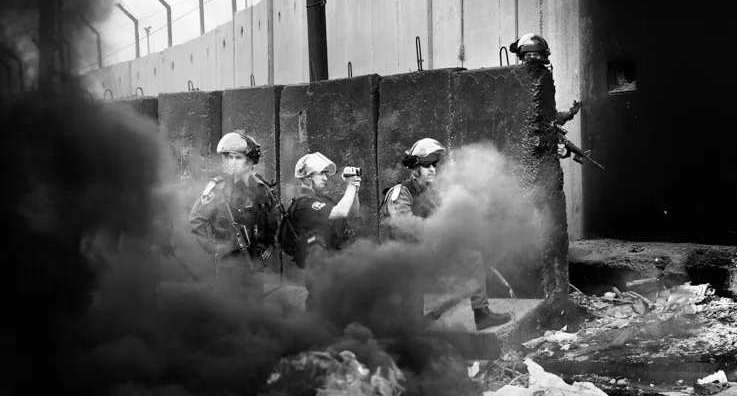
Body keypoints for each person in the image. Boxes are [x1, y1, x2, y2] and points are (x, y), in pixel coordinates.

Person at [381, 138, 512, 331]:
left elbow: (445, 220)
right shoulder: (401, 192)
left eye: (434, 164)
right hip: (405, 259)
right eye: (426, 164)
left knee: (472, 256)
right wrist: (437, 230)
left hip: (426, 253)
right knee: (411, 323)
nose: (432, 168)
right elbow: (403, 223)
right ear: (414, 167)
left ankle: (482, 313)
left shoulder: (428, 194)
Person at [188, 132, 278, 290]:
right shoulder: (219, 187)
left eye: (238, 158)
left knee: (255, 309)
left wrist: (269, 245)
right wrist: (214, 248)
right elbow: (196, 220)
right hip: (228, 263)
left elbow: (272, 220)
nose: (232, 162)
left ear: (250, 160)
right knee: (229, 310)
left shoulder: (262, 189)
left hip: (254, 263)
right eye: (230, 157)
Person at [283, 152, 362, 312]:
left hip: (336, 269)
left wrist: (355, 190)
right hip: (321, 274)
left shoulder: (322, 200)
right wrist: (350, 185)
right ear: (307, 177)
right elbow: (340, 212)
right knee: (321, 317)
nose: (326, 178)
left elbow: (352, 213)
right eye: (321, 173)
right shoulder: (304, 204)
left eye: (326, 173)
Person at [509, 32, 580, 125]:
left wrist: (570, 113)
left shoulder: (544, 78)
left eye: (535, 55)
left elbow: (550, 117)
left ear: (542, 56)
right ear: (523, 57)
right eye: (528, 55)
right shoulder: (516, 79)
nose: (532, 58)